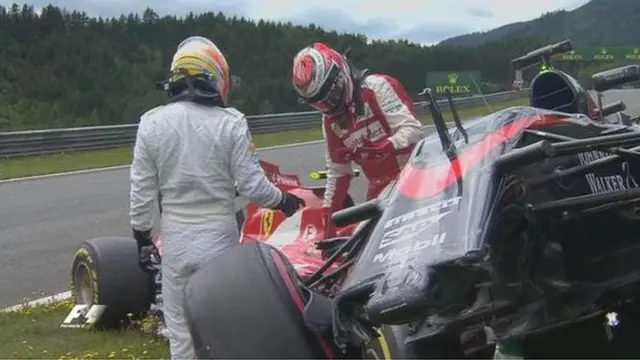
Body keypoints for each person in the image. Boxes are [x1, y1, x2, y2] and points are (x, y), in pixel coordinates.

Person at [129, 36, 303, 359]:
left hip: (176, 243)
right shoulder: (231, 123)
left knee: (180, 336)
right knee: (224, 330)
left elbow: (141, 189)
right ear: (214, 76)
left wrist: (141, 237)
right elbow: (253, 186)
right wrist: (284, 201)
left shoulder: (150, 123)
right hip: (219, 242)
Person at [291, 41, 425, 237]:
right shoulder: (330, 122)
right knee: (359, 243)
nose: (329, 106)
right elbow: (338, 172)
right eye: (319, 103)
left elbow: (414, 130)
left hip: (416, 180)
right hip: (379, 195)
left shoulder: (378, 87)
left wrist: (387, 147)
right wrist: (328, 219)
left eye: (330, 96)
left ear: (340, 76)